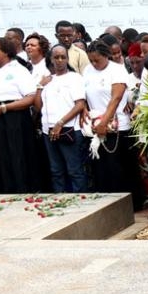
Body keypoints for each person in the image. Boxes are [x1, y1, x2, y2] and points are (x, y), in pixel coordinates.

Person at [0, 37, 38, 193]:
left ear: (6, 51)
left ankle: (17, 190)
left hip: (11, 117)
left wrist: (5, 108)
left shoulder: (18, 70)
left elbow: (31, 98)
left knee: (12, 154)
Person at [82, 39, 139, 206]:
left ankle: (129, 204)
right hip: (96, 125)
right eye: (91, 60)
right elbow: (83, 93)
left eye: (97, 60)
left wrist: (104, 122)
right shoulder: (87, 70)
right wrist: (84, 109)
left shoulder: (117, 70)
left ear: (106, 56)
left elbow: (116, 98)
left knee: (119, 167)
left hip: (117, 125)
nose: (94, 63)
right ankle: (107, 204)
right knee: (101, 168)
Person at [33, 44, 87, 193]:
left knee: (74, 170)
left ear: (68, 59)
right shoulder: (48, 80)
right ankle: (60, 199)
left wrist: (61, 123)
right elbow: (38, 106)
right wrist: (40, 86)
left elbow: (80, 104)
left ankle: (81, 200)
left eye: (63, 57)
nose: (60, 60)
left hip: (69, 129)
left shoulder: (74, 78)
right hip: (48, 130)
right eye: (56, 57)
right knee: (56, 170)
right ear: (51, 59)